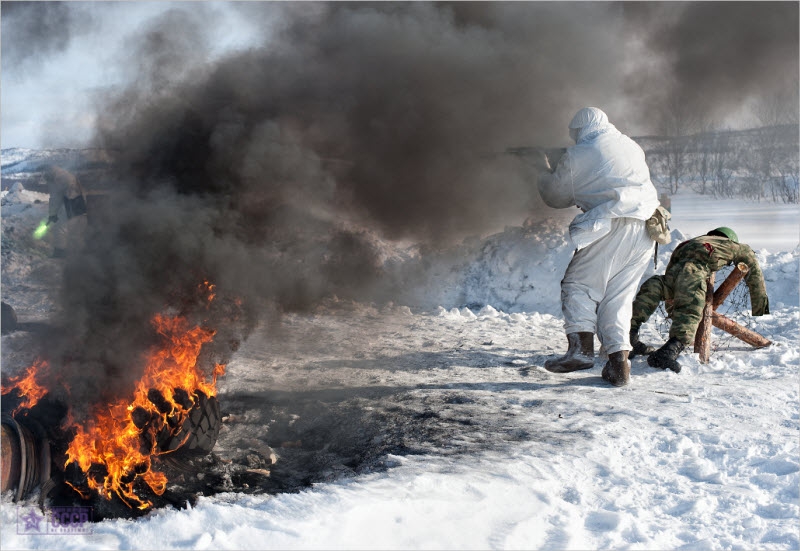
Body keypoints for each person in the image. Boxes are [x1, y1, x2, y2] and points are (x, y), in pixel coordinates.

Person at [536, 107, 660, 387]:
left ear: (580, 130)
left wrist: (540, 168)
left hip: (613, 223)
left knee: (577, 285)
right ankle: (619, 364)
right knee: (618, 298)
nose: (573, 138)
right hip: (645, 227)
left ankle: (580, 352)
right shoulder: (630, 145)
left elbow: (556, 196)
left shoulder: (580, 154)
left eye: (574, 134)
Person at [630, 227, 769, 373]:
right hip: (694, 274)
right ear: (730, 239)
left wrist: (672, 312)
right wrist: (760, 307)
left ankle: (629, 336)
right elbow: (755, 274)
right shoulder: (737, 247)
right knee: (691, 306)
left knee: (651, 289)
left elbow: (671, 273)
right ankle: (668, 352)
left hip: (672, 275)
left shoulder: (687, 243)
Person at [44, 165, 88, 258]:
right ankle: (78, 252)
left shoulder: (56, 180)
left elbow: (55, 198)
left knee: (60, 227)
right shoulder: (65, 176)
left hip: (73, 202)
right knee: (75, 229)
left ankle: (60, 253)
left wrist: (53, 215)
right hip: (79, 202)